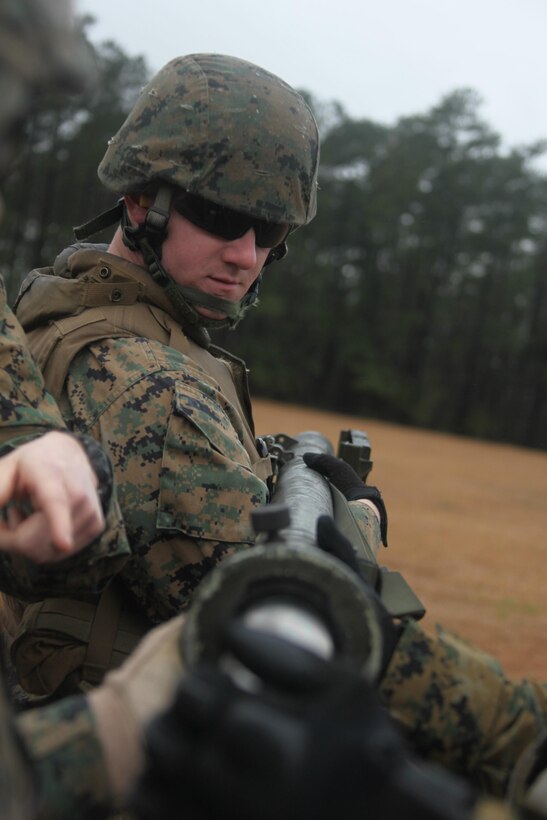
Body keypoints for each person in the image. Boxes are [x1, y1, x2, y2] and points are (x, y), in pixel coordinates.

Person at [9, 51, 546, 798]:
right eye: (223, 217)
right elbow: (291, 620)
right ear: (139, 201)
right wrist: (520, 735)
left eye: (269, 232)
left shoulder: (63, 311)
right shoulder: (145, 380)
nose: (245, 257)